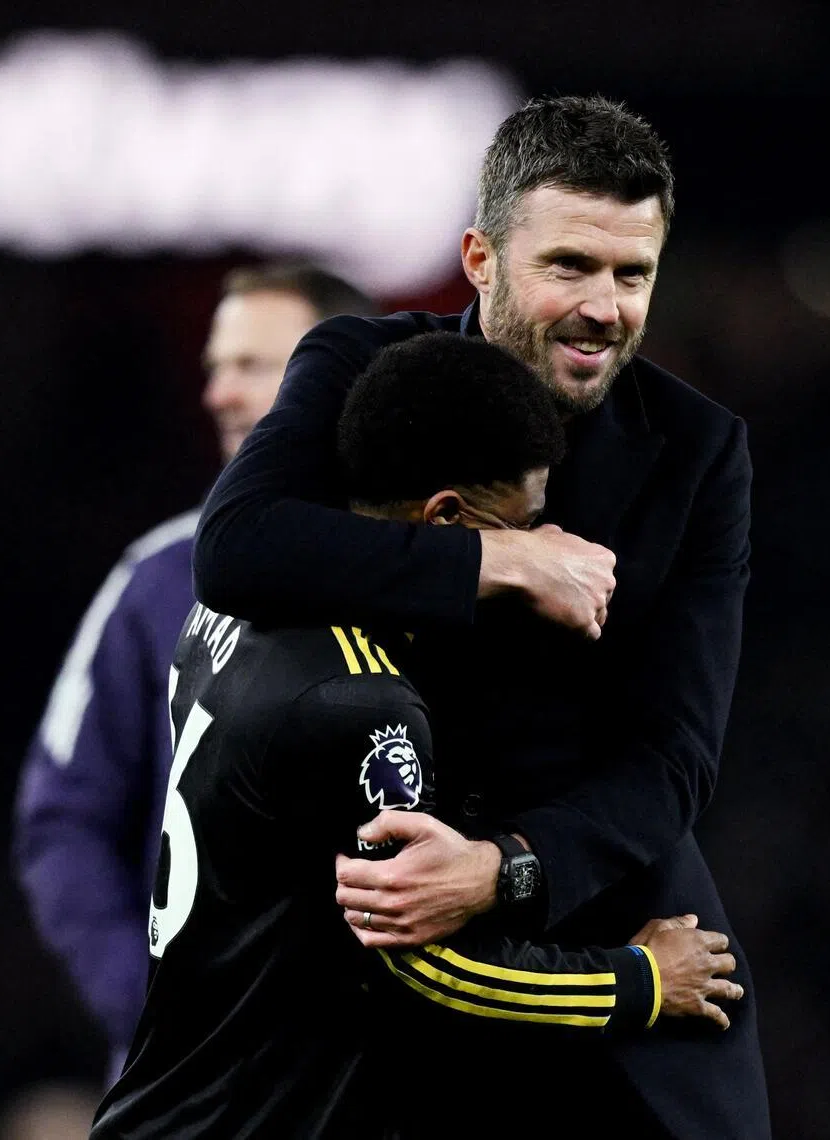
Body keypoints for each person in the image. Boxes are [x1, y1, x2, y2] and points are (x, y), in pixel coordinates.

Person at [193, 96, 771, 1138]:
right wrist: (493, 559)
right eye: (570, 266)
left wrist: (501, 870)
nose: (605, 306)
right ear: (480, 258)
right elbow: (238, 546)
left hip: (593, 941)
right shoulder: (355, 370)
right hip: (366, 970)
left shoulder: (698, 452)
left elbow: (677, 758)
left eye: (631, 275)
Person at [89, 332, 742, 1139]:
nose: (544, 544)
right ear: (448, 518)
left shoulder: (228, 617)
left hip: (162, 1097)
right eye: (525, 524)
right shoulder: (368, 707)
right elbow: (426, 964)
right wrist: (638, 981)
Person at [12, 263, 377, 1081]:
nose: (218, 393)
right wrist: (151, 1012)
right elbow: (62, 821)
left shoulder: (445, 571)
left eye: (251, 365)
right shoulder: (155, 581)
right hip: (189, 1098)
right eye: (214, 367)